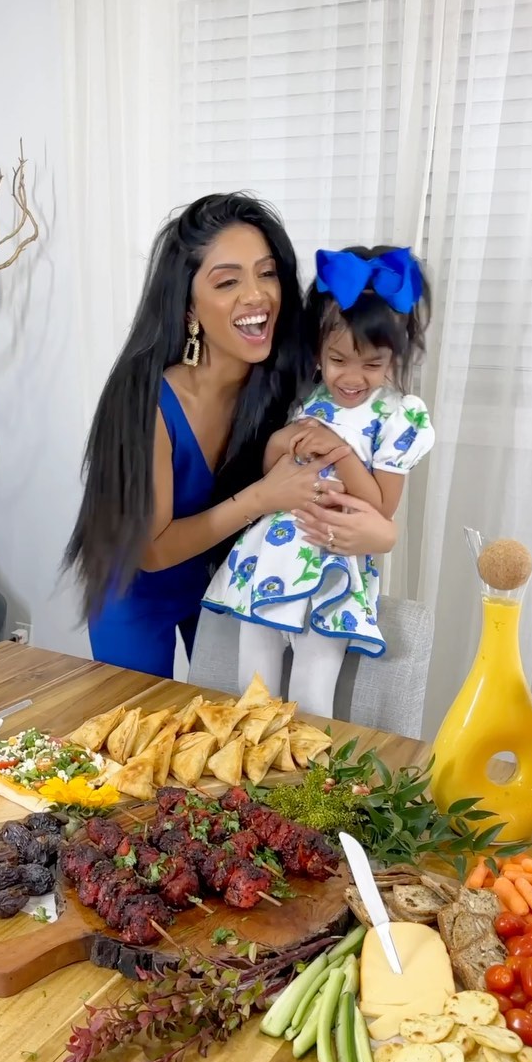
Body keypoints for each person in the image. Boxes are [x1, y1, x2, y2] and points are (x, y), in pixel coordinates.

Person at [65, 197, 399, 679]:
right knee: (137, 721)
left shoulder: (298, 384)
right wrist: (264, 496)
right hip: (136, 590)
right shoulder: (145, 399)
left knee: (237, 715)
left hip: (228, 583)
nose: (256, 296)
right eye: (227, 282)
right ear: (188, 306)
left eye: (267, 274)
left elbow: (354, 483)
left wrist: (384, 533)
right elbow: (152, 550)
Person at [203, 245, 435, 715]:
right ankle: (251, 753)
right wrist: (283, 440)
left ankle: (309, 762)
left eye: (372, 364)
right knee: (253, 687)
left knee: (312, 690)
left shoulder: (398, 416)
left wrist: (340, 452)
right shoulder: (308, 398)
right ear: (317, 352)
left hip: (332, 564)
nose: (352, 377)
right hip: (271, 555)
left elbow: (381, 508)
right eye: (338, 359)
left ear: (395, 357)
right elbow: (272, 468)